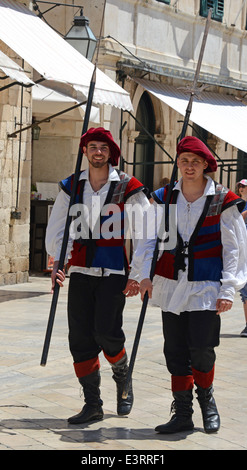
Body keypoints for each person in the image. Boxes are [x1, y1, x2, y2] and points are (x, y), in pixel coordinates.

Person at [134, 136, 247, 434]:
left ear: (206, 165)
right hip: (170, 284)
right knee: (175, 349)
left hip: (206, 287)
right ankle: (182, 412)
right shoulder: (163, 197)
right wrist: (142, 275)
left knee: (202, 348)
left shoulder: (223, 200)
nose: (189, 167)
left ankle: (207, 403)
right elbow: (146, 239)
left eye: (195, 162)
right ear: (178, 164)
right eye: (184, 161)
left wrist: (228, 290)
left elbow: (234, 249)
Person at [45, 127, 150, 425]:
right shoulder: (71, 187)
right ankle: (93, 403)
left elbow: (144, 235)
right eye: (92, 146)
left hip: (113, 272)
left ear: (111, 153)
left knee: (106, 332)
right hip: (80, 272)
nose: (98, 152)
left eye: (103, 147)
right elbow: (58, 229)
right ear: (85, 151)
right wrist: (58, 262)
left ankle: (122, 373)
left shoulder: (129, 187)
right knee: (79, 338)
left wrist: (139, 273)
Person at [236, 179, 247, 337]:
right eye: (242, 186)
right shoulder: (236, 204)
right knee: (245, 292)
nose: (243, 188)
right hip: (242, 251)